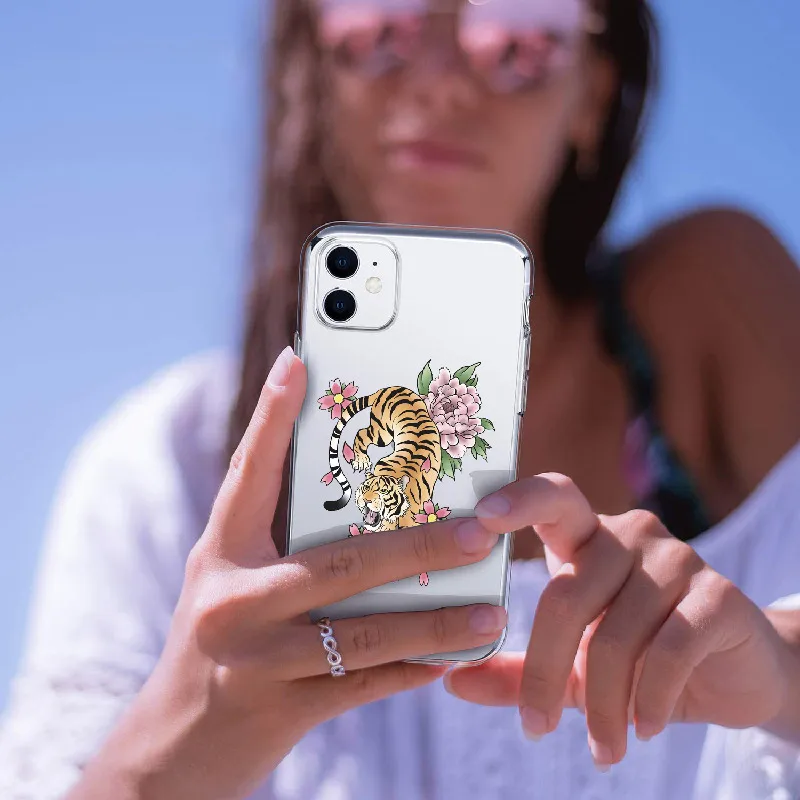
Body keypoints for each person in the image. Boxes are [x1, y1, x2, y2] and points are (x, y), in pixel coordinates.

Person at [1, 0, 799, 798]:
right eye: (384, 22)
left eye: (515, 32)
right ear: (311, 66)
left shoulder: (712, 321)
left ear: (592, 91)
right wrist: (184, 744)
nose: (441, 80)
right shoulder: (163, 468)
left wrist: (782, 671)